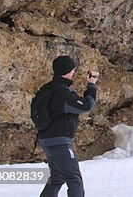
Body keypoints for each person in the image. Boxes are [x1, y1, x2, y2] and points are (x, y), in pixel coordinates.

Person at [35, 55, 98, 197]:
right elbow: (86, 105)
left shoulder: (47, 88)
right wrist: (91, 85)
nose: (74, 72)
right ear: (70, 71)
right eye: (73, 69)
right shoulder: (62, 92)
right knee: (74, 178)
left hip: (46, 139)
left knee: (58, 178)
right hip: (59, 142)